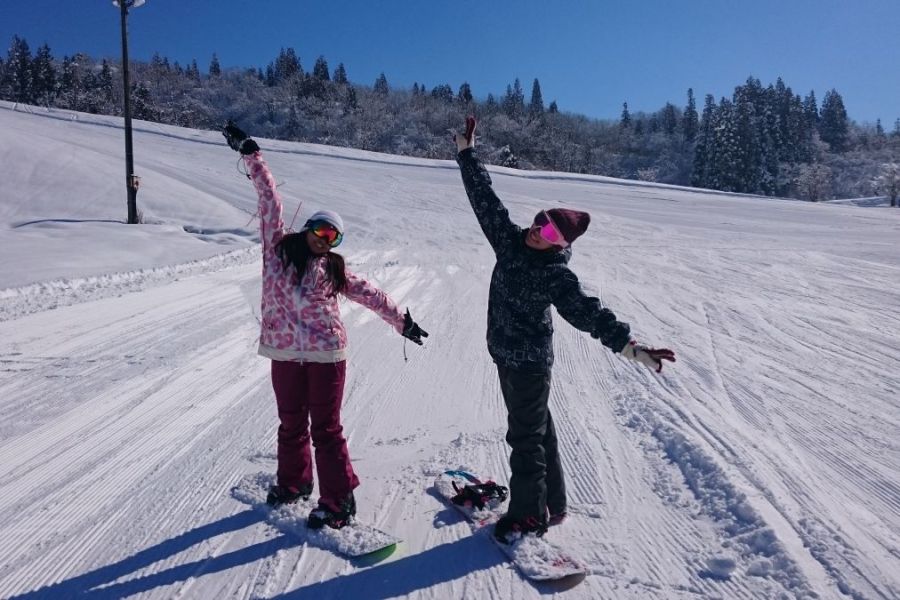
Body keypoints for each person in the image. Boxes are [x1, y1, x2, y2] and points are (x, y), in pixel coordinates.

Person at [452, 116, 675, 544]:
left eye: (550, 231)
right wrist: (466, 154)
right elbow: (485, 199)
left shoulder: (556, 275)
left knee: (525, 439)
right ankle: (553, 504)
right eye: (539, 222)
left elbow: (591, 314)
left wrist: (632, 349)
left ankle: (528, 517)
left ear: (562, 243)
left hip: (529, 365)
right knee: (538, 429)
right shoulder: (510, 241)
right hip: (505, 354)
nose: (538, 231)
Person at [223, 122, 428, 530]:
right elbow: (269, 200)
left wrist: (401, 321)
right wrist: (252, 154)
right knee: (291, 422)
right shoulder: (277, 251)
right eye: (319, 229)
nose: (324, 238)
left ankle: (339, 500)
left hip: (326, 355)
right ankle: (294, 484)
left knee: (326, 428)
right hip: (284, 353)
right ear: (308, 229)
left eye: (332, 235)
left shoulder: (333, 269)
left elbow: (369, 293)